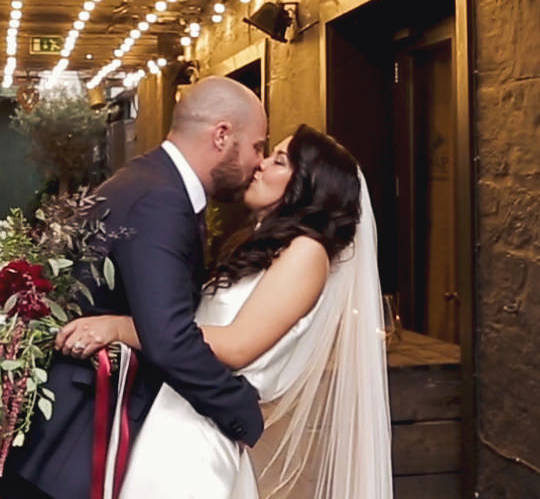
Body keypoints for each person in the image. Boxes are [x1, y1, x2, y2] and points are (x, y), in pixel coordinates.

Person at [56, 124, 393, 499]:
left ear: (309, 185)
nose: (261, 164)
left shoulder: (307, 252)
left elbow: (236, 346)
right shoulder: (259, 244)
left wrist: (120, 327)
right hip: (176, 416)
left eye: (279, 160)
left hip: (196, 436)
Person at [0, 77, 271, 499]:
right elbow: (169, 338)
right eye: (257, 146)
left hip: (59, 436)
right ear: (222, 135)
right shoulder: (162, 200)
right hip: (72, 445)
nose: (259, 161)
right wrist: (242, 410)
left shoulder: (146, 178)